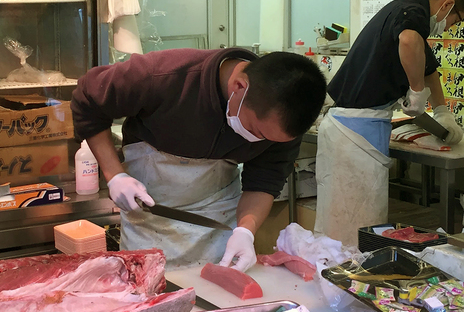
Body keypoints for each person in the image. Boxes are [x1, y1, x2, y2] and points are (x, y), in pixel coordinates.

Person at [72, 48, 327, 270]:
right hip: (149, 213)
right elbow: (88, 100)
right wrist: (114, 174)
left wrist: (245, 231)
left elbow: (264, 181)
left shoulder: (284, 123)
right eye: (257, 132)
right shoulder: (163, 75)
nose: (259, 141)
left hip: (217, 216)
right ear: (239, 86)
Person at [315, 0, 464, 245]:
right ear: (447, 5)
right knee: (348, 235)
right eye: (456, 20)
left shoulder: (409, 16)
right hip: (350, 132)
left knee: (362, 228)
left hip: (363, 129)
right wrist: (416, 91)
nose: (450, 27)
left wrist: (442, 114)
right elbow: (409, 42)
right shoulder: (411, 13)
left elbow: (429, 69)